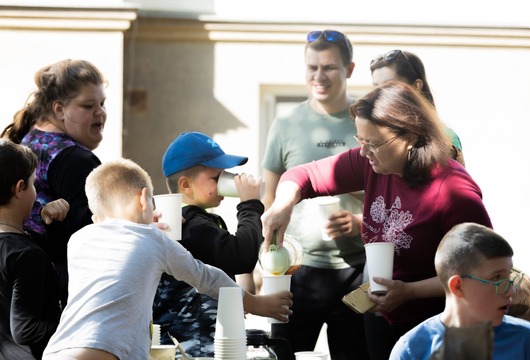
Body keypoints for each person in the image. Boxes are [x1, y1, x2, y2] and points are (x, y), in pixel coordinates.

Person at [261, 80, 493, 359]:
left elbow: (482, 271)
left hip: (434, 328)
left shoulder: (452, 189)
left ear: (409, 136)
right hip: (379, 316)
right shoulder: (371, 164)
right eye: (360, 140)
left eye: (373, 143)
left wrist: (409, 292)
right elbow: (304, 175)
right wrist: (283, 204)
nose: (362, 151)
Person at [42, 158, 293, 360]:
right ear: (144, 199)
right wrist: (254, 303)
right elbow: (208, 278)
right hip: (103, 349)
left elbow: (115, 243)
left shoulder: (79, 239)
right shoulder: (153, 240)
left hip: (58, 347)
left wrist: (145, 226)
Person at [261, 29, 368, 360]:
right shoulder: (286, 123)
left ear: (349, 69)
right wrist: (263, 259)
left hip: (357, 270)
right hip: (297, 271)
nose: (319, 76)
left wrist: (360, 221)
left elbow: (388, 195)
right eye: (312, 68)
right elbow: (270, 198)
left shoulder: (366, 121)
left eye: (329, 67)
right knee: (287, 355)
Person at [1, 59, 107, 306]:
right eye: (88, 105)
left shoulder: (26, 142)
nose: (100, 113)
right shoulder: (74, 159)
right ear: (59, 109)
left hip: (13, 288)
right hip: (59, 301)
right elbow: (95, 235)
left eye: (102, 103)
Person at [153, 131, 264, 358]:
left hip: (202, 340)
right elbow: (241, 256)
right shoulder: (189, 225)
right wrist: (250, 205)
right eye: (217, 178)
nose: (225, 182)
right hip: (192, 345)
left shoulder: (201, 221)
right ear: (185, 185)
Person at [389, 222, 530, 360]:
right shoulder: (410, 351)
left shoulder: (529, 341)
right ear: (458, 286)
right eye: (497, 278)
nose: (511, 291)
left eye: (509, 278)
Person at [0, 139, 69, 359]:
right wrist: (75, 323)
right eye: (33, 184)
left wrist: (52, 225)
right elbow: (26, 328)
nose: (35, 193)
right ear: (20, 188)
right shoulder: (26, 254)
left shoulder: (21, 246)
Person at [369, 49, 465, 166]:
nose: (380, 95)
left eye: (389, 86)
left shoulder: (445, 137)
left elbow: (454, 182)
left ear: (416, 86)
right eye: (376, 88)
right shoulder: (369, 137)